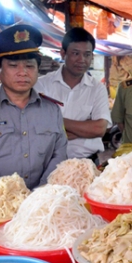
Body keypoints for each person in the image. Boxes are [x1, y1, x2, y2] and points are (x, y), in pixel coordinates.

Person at [0, 25, 67, 189]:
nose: (23, 72)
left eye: (29, 66)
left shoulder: (52, 110)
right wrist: (3, 195)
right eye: (13, 66)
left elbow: (59, 154)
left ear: (37, 69)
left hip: (42, 201)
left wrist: (40, 192)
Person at [34, 28, 111, 163]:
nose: (82, 60)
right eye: (76, 53)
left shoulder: (97, 89)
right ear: (63, 53)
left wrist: (56, 123)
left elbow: (99, 128)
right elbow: (34, 124)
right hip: (46, 164)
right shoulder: (41, 85)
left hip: (87, 163)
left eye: (87, 55)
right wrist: (83, 127)